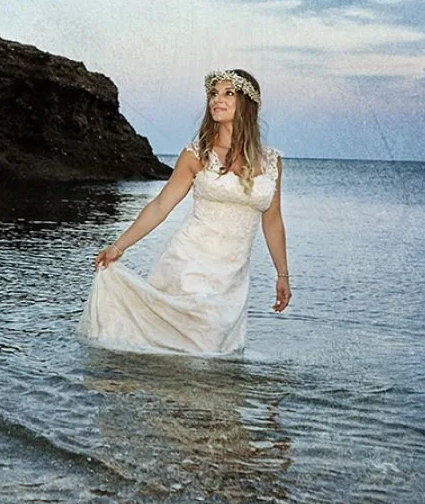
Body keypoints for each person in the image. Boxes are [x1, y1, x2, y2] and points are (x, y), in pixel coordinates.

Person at [78, 69, 291, 356]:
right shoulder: (197, 154)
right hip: (190, 263)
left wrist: (282, 275)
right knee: (195, 347)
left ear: (248, 103)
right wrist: (119, 246)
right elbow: (160, 205)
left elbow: (273, 220)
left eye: (228, 93)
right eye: (214, 94)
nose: (217, 100)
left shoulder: (271, 161)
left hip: (232, 277)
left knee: (213, 352)